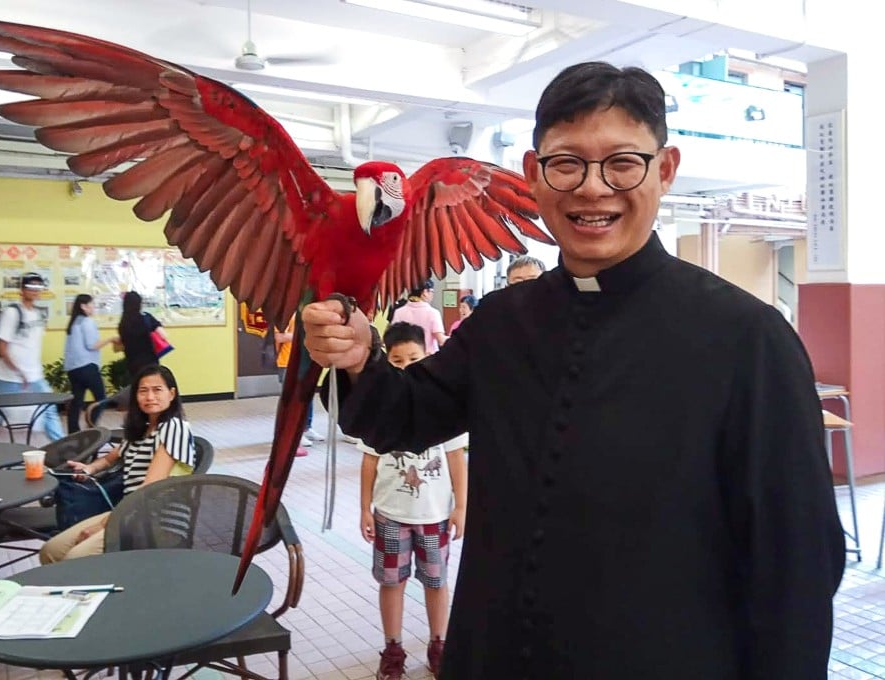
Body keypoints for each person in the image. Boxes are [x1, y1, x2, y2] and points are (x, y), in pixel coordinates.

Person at [302, 62, 845, 679]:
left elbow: (797, 564)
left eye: (622, 162)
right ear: (534, 176)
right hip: (496, 655)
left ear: (664, 170)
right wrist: (356, 357)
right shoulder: (503, 320)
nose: (593, 188)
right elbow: (402, 417)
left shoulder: (749, 339)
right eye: (567, 164)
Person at [360, 322, 467, 680]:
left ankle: (440, 645)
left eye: (414, 358)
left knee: (437, 582)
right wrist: (365, 509)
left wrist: (461, 506)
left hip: (435, 515)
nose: (406, 365)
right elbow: (369, 461)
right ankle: (393, 648)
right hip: (390, 514)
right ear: (387, 363)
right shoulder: (379, 407)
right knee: (392, 582)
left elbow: (456, 460)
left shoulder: (443, 406)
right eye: (398, 359)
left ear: (428, 357)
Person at [39, 365, 196, 563]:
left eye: (157, 390)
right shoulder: (141, 431)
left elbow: (148, 489)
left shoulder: (175, 427)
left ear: (171, 394)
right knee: (50, 550)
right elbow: (109, 458)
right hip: (129, 512)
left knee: (75, 558)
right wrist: (89, 468)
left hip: (159, 519)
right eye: (143, 391)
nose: (150, 397)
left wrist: (104, 524)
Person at [0, 273, 64, 441]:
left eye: (39, 287)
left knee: (49, 410)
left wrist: (30, 372)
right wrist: (18, 371)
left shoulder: (39, 314)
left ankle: (66, 452)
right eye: (31, 287)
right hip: (8, 377)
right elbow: (1, 347)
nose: (35, 291)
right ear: (22, 290)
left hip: (34, 376)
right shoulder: (11, 313)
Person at [85, 291, 167, 425]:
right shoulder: (146, 318)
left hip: (132, 364)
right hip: (150, 363)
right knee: (152, 392)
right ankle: (152, 421)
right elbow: (163, 335)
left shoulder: (123, 323)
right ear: (139, 304)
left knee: (138, 392)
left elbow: (122, 345)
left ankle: (135, 421)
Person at [63, 294, 118, 433]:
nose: (94, 307)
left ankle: (73, 432)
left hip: (73, 368)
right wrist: (111, 339)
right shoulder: (87, 322)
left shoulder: (74, 322)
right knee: (101, 399)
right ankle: (91, 427)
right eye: (91, 304)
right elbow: (92, 345)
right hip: (87, 366)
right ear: (83, 306)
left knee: (77, 402)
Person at [274, 315, 324, 449]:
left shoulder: (305, 314)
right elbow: (278, 337)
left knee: (308, 395)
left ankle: (306, 428)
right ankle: (292, 434)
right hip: (287, 362)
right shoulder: (284, 314)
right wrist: (302, 336)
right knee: (292, 399)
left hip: (306, 360)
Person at [390, 280, 447, 354]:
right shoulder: (433, 313)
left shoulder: (399, 312)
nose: (432, 295)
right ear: (425, 292)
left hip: (405, 358)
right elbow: (441, 340)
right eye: (431, 291)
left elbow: (394, 336)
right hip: (427, 358)